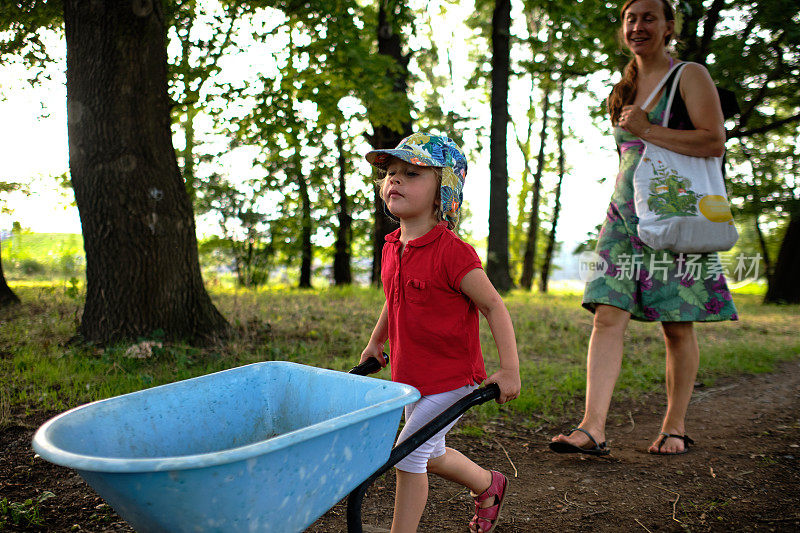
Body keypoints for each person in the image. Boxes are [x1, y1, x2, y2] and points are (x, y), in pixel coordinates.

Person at [550, 0, 738, 457]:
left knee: (676, 324)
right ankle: (592, 427)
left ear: (668, 27)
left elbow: (714, 141)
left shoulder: (689, 75)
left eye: (649, 18)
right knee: (607, 313)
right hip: (624, 216)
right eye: (630, 19)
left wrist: (648, 128)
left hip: (675, 213)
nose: (638, 26)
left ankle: (675, 426)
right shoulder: (624, 86)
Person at [360, 132, 522, 533]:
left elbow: (492, 305)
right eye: (391, 173)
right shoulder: (392, 246)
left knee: (407, 455)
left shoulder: (453, 253)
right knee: (427, 452)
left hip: (452, 378)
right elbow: (393, 299)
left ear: (441, 193)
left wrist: (509, 369)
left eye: (411, 173)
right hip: (411, 375)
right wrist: (376, 342)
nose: (394, 180)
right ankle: (488, 484)